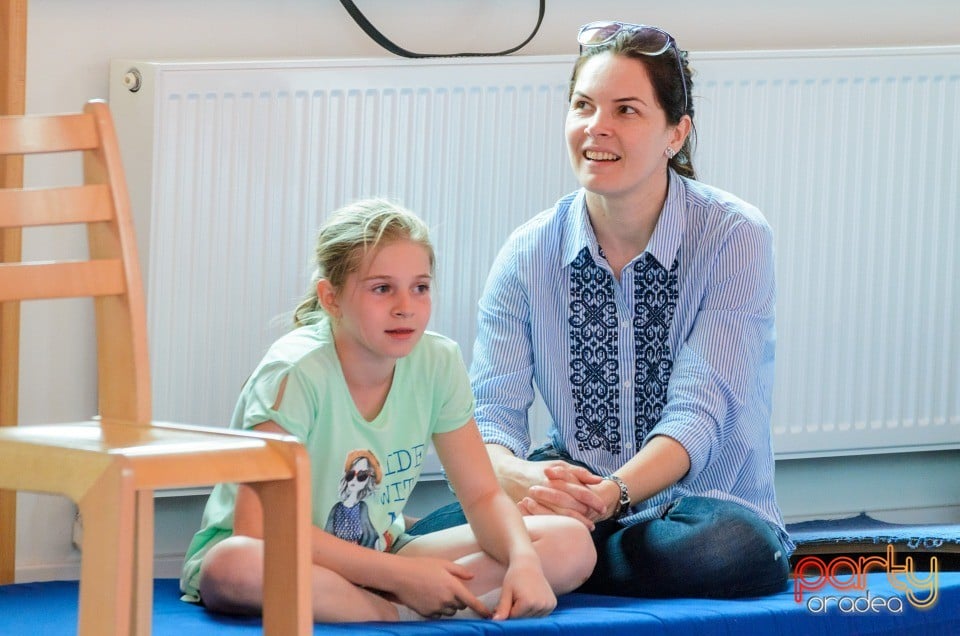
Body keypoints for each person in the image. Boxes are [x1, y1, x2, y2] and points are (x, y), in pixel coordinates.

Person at [408, 21, 794, 598]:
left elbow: (699, 415)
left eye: (627, 110)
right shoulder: (528, 251)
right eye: (583, 105)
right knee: (435, 529)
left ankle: (567, 562)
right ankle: (565, 554)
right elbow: (488, 418)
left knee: (730, 551)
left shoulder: (734, 236)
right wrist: (526, 479)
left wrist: (607, 496)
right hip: (567, 500)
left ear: (675, 133)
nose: (597, 128)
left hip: (695, 509)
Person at [179, 199, 595, 622]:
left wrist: (522, 559)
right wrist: (402, 577)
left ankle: (385, 605)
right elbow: (259, 527)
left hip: (377, 552)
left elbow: (484, 495)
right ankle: (397, 612)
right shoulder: (294, 373)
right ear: (331, 297)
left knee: (570, 544)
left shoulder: (438, 361)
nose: (405, 306)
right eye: (382, 288)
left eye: (420, 287)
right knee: (232, 565)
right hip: (285, 551)